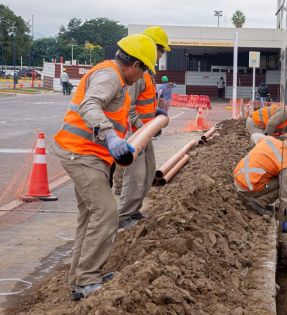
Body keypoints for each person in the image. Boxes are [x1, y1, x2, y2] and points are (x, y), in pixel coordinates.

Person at [52, 33, 157, 300]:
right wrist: (110, 135)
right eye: (143, 69)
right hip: (81, 154)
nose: (142, 76)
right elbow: (90, 104)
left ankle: (80, 279)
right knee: (107, 211)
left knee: (89, 216)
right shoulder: (110, 76)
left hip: (88, 155)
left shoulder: (118, 80)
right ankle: (87, 279)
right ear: (134, 64)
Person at [116, 26, 170, 228]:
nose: (161, 55)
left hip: (145, 132)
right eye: (161, 50)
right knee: (136, 176)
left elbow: (143, 103)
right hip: (136, 133)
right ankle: (124, 215)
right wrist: (141, 127)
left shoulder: (147, 74)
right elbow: (128, 107)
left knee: (148, 173)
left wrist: (154, 118)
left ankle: (134, 210)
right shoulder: (138, 75)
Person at [233, 129, 287, 216]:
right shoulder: (285, 164)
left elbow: (254, 136)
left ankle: (258, 198)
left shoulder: (269, 139)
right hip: (247, 188)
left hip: (237, 177)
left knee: (273, 173)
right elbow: (285, 194)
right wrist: (286, 215)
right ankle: (259, 203)